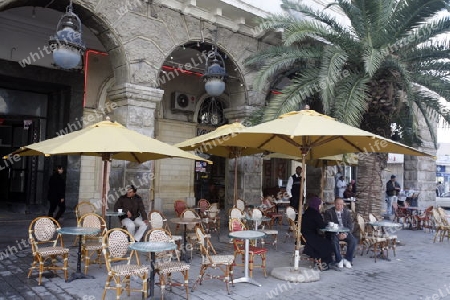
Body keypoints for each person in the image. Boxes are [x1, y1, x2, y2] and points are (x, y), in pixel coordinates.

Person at [323, 198, 356, 269]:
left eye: (341, 204)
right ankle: (339, 260)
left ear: (343, 205)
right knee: (334, 240)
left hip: (345, 232)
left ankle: (348, 260)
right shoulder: (329, 212)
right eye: (337, 204)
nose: (339, 206)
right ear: (334, 204)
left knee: (353, 240)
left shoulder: (347, 212)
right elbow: (326, 223)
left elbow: (350, 225)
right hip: (334, 233)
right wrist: (338, 233)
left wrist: (345, 234)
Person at [301, 197, 333, 268]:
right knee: (327, 243)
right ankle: (325, 262)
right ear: (317, 205)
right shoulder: (315, 213)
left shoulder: (308, 211)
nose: (321, 206)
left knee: (324, 240)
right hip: (309, 236)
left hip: (304, 235)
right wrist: (328, 224)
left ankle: (322, 260)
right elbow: (322, 226)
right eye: (320, 204)